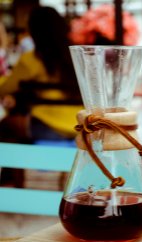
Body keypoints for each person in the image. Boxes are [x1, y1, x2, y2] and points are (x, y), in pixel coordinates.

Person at [0, 6, 83, 143]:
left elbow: (4, 89)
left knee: (5, 126)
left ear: (34, 31)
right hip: (81, 124)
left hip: (45, 127)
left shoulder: (31, 59)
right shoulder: (76, 57)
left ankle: (18, 163)